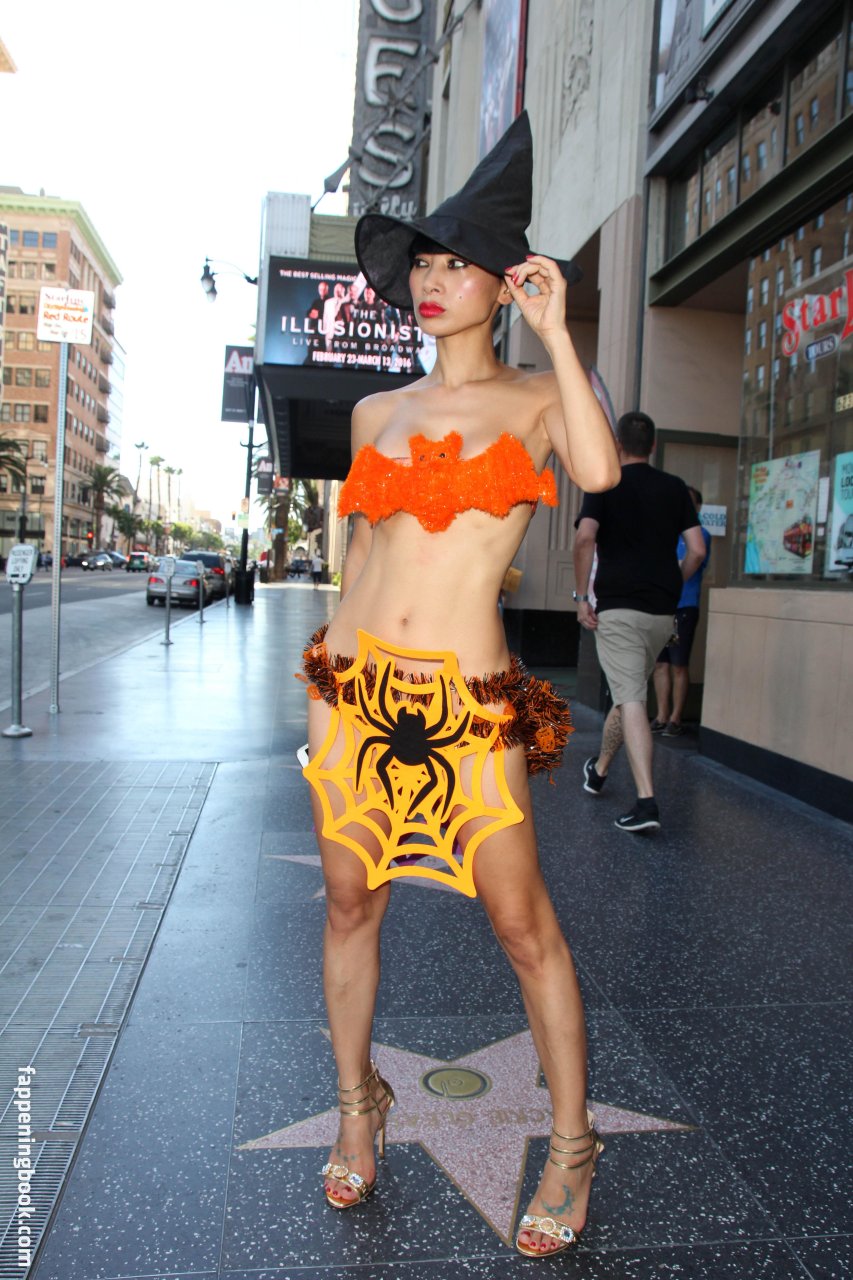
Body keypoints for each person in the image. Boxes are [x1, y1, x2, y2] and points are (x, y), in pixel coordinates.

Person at [299, 111, 620, 1257]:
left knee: (523, 924)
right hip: (355, 695)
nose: (432, 282)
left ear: (503, 280)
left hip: (469, 707)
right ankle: (357, 1105)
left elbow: (598, 469)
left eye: (455, 263)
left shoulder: (535, 402)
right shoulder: (375, 413)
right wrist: (321, 693)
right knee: (349, 904)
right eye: (422, 264)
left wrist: (559, 331)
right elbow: (357, 563)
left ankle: (572, 1145)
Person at [573, 412, 707, 833]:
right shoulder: (675, 488)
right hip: (662, 614)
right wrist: (674, 582)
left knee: (631, 698)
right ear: (652, 446)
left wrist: (581, 597)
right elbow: (697, 550)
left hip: (619, 609)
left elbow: (584, 538)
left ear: (617, 444)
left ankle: (647, 802)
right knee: (627, 692)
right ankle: (600, 770)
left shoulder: (604, 485)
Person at [651, 486, 712, 736]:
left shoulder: (700, 534)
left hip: (684, 606)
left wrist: (663, 570)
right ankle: (661, 715)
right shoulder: (665, 532)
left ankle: (676, 718)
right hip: (661, 607)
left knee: (678, 664)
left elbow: (688, 561)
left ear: (697, 507)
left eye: (688, 502)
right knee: (660, 663)